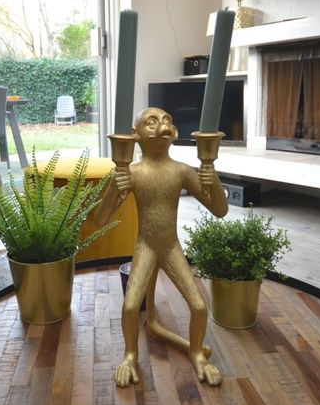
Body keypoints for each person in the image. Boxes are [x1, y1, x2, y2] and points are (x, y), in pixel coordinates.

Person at [95, 107, 229, 387]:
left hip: (170, 247)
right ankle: (130, 355)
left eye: (167, 121)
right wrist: (113, 189)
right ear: (135, 136)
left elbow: (219, 209)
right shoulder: (131, 172)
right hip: (146, 245)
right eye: (152, 122)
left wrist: (212, 178)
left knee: (199, 307)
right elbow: (100, 219)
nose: (162, 126)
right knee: (131, 307)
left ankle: (196, 353)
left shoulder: (180, 171)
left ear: (175, 132)